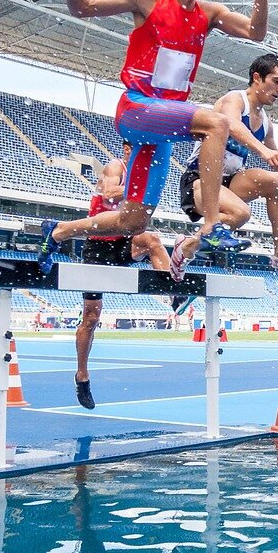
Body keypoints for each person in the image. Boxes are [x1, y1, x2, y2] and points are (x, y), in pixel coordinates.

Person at [38, 0, 277, 274]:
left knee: (133, 220)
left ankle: (59, 231)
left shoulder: (210, 14)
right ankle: (211, 226)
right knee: (217, 124)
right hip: (137, 109)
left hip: (163, 125)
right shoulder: (147, 0)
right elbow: (83, 8)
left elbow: (256, 32)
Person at [176, 53, 278, 270]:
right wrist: (261, 150)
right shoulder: (235, 99)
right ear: (257, 78)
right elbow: (231, 123)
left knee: (276, 180)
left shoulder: (267, 124)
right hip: (199, 181)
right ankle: (186, 248)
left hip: (230, 182)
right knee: (240, 214)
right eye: (276, 82)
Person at [73, 159, 172, 410]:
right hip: (97, 246)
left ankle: (174, 292)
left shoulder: (145, 174)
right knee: (91, 318)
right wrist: (140, 190)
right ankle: (82, 375)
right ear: (129, 148)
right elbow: (108, 195)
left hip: (122, 244)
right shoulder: (116, 167)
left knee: (152, 240)